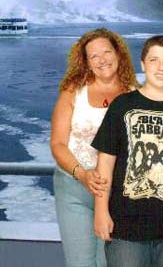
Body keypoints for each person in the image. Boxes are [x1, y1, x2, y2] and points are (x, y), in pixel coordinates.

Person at [91, 35, 163, 267]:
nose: (161, 67)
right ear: (143, 64)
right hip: (125, 227)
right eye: (154, 60)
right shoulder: (122, 106)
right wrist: (100, 211)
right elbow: (105, 163)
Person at [50, 28, 138, 267]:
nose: (102, 60)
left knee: (112, 262)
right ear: (86, 63)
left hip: (118, 192)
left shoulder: (135, 94)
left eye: (106, 52)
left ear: (118, 54)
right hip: (74, 188)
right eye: (94, 56)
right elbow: (57, 144)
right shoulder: (72, 93)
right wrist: (82, 175)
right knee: (81, 263)